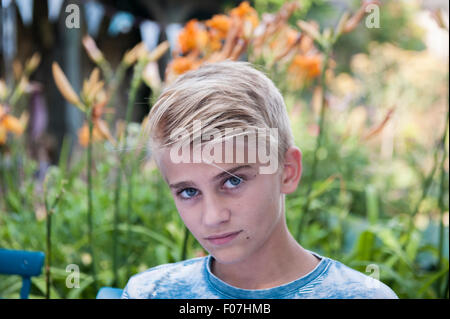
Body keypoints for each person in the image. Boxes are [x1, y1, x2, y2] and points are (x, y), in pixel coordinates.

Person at [121, 61, 398, 299]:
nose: (213, 217)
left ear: (287, 171)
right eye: (189, 192)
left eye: (233, 181)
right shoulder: (149, 293)